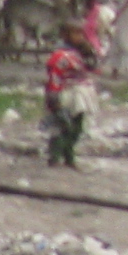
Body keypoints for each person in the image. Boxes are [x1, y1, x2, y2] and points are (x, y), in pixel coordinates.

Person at [44, 29, 99, 166]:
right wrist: (53, 98)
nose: (80, 37)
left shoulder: (81, 53)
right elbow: (54, 77)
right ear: (66, 35)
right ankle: (55, 157)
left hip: (81, 95)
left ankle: (69, 156)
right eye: (76, 34)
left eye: (81, 34)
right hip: (68, 93)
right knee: (63, 126)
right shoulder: (60, 55)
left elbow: (93, 67)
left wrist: (89, 51)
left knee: (77, 127)